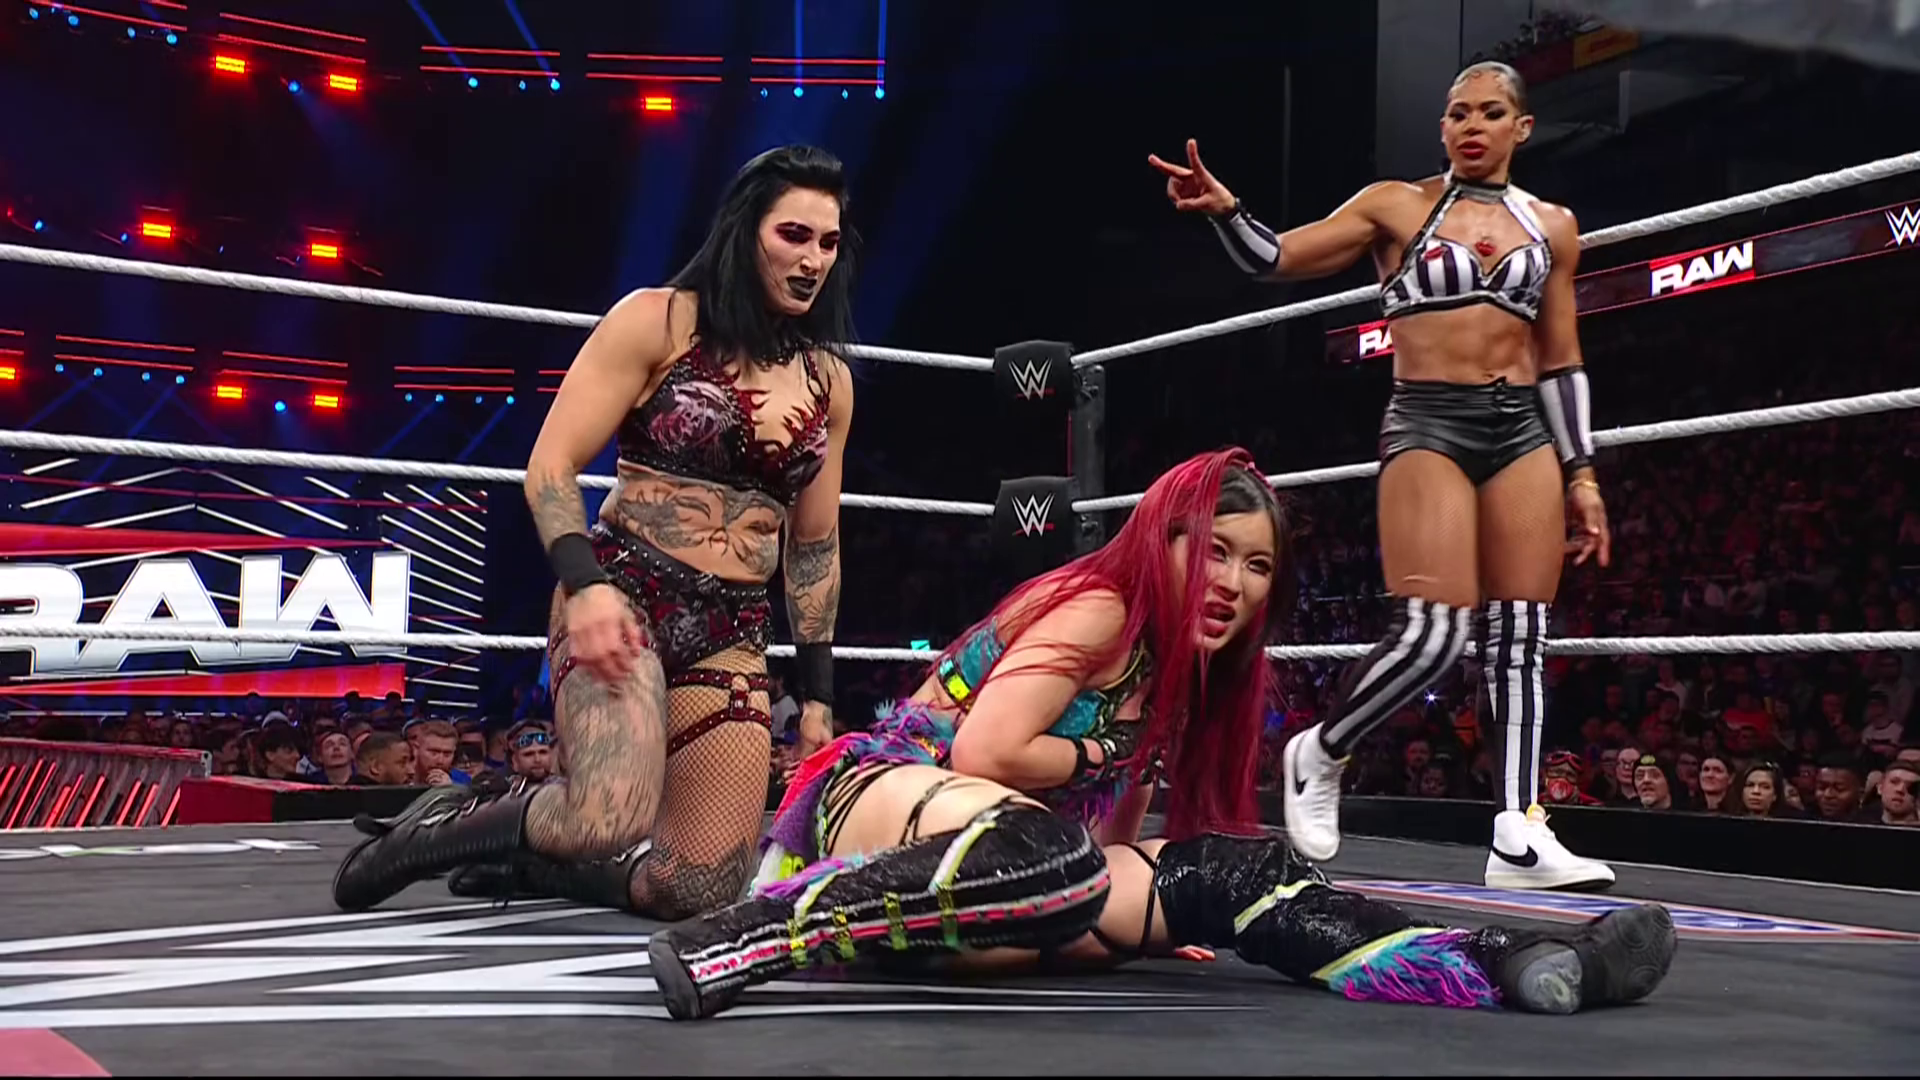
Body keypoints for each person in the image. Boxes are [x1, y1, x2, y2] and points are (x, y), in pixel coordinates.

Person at [645, 448, 1675, 1021]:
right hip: (873, 799)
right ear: (1165, 541)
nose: (1233, 583)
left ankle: (1517, 964)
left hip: (1008, 875)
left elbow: (1115, 821)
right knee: (1052, 858)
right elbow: (987, 753)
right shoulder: (1103, 607)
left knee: (1234, 872)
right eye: (1213, 551)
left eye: (1257, 567)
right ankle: (747, 933)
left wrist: (1150, 891)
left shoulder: (1186, 667)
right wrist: (1099, 776)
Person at [331, 145, 855, 918]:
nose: (813, 260)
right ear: (747, 232)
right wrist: (586, 587)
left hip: (732, 628)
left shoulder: (827, 382)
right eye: (794, 235)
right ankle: (435, 830)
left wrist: (816, 694)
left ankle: (545, 870)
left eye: (829, 242)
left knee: (699, 886)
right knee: (609, 812)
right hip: (628, 589)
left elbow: (814, 546)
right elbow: (551, 465)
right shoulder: (660, 320)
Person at [1148, 60, 1614, 890]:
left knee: (1520, 635)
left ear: (1521, 127)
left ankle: (1519, 830)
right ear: (1442, 127)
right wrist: (1226, 211)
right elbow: (1277, 258)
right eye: (1458, 113)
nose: (1471, 126)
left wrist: (1583, 475)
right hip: (1430, 419)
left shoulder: (1554, 226)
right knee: (1434, 632)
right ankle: (1321, 751)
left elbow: (1561, 358)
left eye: (1490, 113)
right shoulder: (1394, 205)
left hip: (1523, 430)